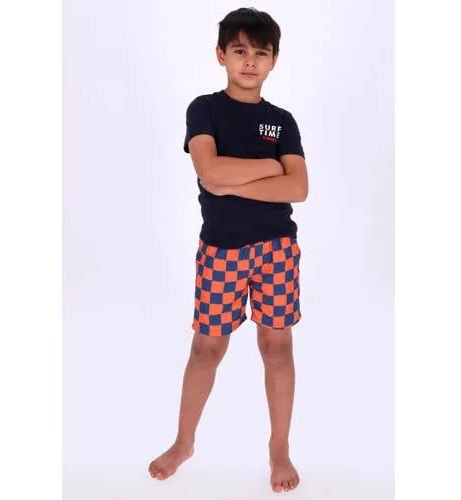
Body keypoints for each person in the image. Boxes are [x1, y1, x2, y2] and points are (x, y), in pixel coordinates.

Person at [149, 7, 308, 494]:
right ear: (221, 55)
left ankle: (279, 447)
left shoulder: (281, 122)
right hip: (222, 253)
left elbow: (298, 188)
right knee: (206, 348)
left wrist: (233, 179)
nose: (250, 61)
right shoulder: (205, 110)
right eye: (239, 50)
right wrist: (269, 170)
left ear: (274, 61)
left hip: (277, 250)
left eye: (261, 52)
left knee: (277, 347)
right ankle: (184, 442)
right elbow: (210, 174)